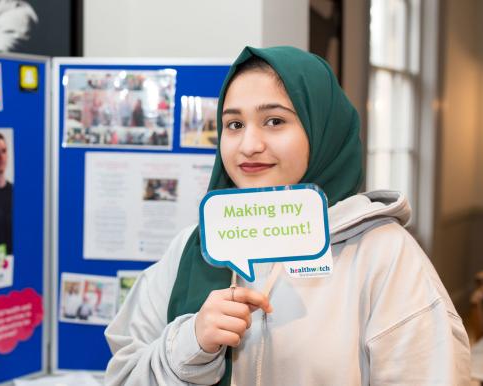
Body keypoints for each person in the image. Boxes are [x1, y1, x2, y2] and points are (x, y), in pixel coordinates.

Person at [104, 46, 471, 385]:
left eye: (275, 121)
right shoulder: (191, 248)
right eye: (234, 124)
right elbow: (123, 375)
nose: (249, 145)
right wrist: (190, 343)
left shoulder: (383, 255)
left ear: (321, 128)